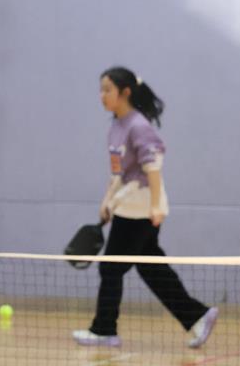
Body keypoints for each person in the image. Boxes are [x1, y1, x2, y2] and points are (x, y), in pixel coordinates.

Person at [72, 67, 218, 348]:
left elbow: (153, 167)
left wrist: (156, 206)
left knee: (111, 269)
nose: (102, 95)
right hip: (126, 204)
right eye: (101, 89)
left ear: (125, 92)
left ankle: (104, 329)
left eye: (107, 90)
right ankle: (198, 315)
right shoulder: (117, 125)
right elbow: (118, 171)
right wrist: (107, 201)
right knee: (152, 268)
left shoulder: (138, 126)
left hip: (139, 209)